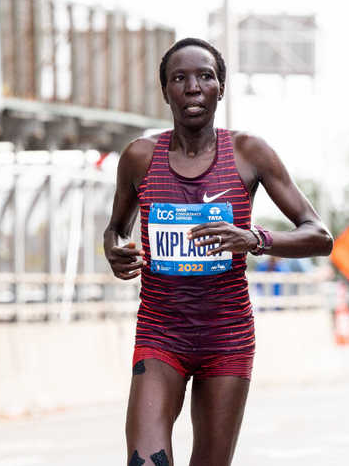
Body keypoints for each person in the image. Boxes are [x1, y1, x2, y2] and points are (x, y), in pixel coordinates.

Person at [103, 37, 333, 466]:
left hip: (226, 336)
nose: (193, 87)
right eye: (180, 78)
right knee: (143, 461)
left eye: (205, 76)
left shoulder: (249, 152)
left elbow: (320, 235)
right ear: (166, 91)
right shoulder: (139, 157)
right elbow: (116, 229)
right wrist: (115, 252)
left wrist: (255, 239)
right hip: (161, 331)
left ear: (220, 89)